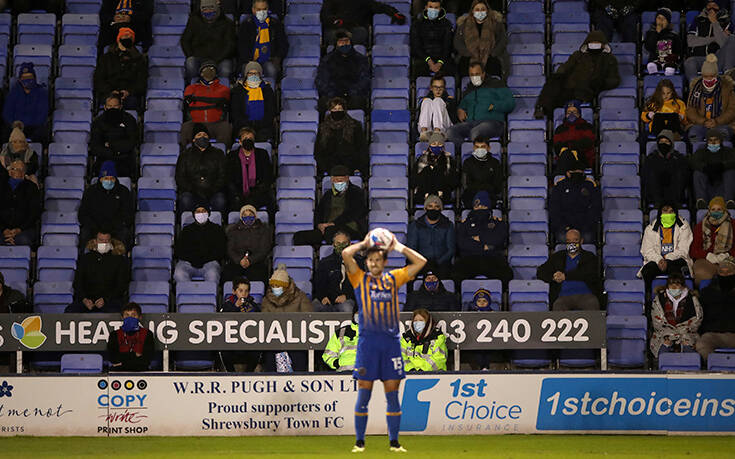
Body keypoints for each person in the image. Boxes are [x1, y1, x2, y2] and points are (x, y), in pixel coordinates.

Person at [342, 228, 427, 453]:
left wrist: (398, 246)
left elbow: (421, 262)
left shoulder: (393, 278)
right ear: (367, 262)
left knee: (392, 394)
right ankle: (360, 442)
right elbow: (345, 255)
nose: (373, 264)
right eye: (370, 260)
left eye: (377, 260)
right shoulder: (359, 279)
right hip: (368, 345)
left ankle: (394, 442)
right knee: (364, 394)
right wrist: (363, 243)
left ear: (384, 261)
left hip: (390, 344)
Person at [533, 31, 620, 119]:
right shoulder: (578, 55)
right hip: (568, 85)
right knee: (553, 82)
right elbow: (565, 67)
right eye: (592, 43)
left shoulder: (609, 59)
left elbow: (614, 79)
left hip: (586, 89)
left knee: (563, 101)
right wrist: (560, 74)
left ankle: (552, 118)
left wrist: (601, 83)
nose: (594, 45)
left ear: (602, 45)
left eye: (597, 43)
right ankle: (541, 108)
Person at [293, 165, 368, 247]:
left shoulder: (356, 192)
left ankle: (334, 257)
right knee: (299, 236)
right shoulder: (328, 195)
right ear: (332, 180)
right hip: (327, 228)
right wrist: (319, 225)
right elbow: (319, 212)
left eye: (341, 180)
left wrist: (333, 223)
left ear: (347, 178)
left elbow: (354, 212)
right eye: (336, 180)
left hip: (349, 228)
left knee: (330, 232)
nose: (339, 183)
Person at [260, 264, 313, 372]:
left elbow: (308, 318)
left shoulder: (300, 297)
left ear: (286, 285)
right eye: (273, 286)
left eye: (278, 285)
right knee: (270, 358)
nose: (275, 288)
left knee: (299, 359)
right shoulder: (267, 299)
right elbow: (264, 321)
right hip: (274, 341)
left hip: (296, 341)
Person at [447, 60, 515, 144]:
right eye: (472, 75)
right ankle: (463, 153)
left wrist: (494, 106)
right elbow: (463, 104)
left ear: (483, 73)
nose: (474, 77)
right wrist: (460, 110)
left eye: (477, 74)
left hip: (493, 123)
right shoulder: (469, 89)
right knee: (451, 132)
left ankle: (476, 155)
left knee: (475, 132)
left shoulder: (497, 84)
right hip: (471, 123)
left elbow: (510, 103)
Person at [453, 191, 513, 283]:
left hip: (492, 259)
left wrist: (478, 238)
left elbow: (498, 239)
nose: (480, 209)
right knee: (455, 275)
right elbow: (462, 242)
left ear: (488, 207)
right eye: (477, 206)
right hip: (470, 259)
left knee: (506, 275)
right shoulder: (465, 224)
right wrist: (483, 246)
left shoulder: (497, 223)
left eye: (483, 206)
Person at [537, 228, 602, 311]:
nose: (572, 244)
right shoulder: (557, 257)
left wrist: (565, 276)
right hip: (563, 296)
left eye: (575, 240)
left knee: (592, 303)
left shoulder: (589, 257)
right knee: (558, 306)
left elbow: (589, 273)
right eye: (568, 241)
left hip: (586, 295)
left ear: (581, 241)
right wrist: (554, 277)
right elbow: (541, 271)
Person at [65, 230, 129, 313]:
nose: (104, 243)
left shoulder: (119, 260)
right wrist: (85, 299)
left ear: (111, 241)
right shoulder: (85, 259)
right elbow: (77, 283)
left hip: (110, 301)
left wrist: (105, 300)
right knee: (71, 311)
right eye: (101, 240)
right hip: (87, 301)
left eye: (107, 240)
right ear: (95, 241)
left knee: (116, 310)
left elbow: (121, 286)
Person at [78, 160, 134, 250]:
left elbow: (128, 215)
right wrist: (97, 229)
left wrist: (111, 228)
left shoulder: (123, 192)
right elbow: (83, 214)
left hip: (115, 228)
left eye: (111, 178)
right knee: (85, 233)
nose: (109, 181)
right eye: (106, 178)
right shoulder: (91, 192)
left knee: (124, 233)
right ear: (100, 179)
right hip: (95, 228)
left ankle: (122, 259)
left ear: (115, 179)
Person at [638, 203, 694, 290]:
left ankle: (677, 298)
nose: (668, 214)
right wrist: (659, 260)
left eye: (671, 211)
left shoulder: (684, 226)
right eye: (665, 211)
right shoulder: (650, 228)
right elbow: (646, 250)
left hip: (676, 260)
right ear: (660, 212)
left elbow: (683, 250)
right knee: (647, 270)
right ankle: (649, 298)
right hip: (657, 260)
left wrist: (667, 259)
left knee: (675, 268)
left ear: (675, 212)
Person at [175, 124, 227, 213]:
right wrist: (193, 190)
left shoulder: (218, 153)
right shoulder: (185, 155)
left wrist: (212, 189)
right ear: (194, 139)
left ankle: (218, 224)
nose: (202, 137)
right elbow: (180, 177)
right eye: (199, 135)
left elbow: (223, 175)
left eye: (205, 135)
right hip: (191, 192)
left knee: (220, 200)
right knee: (185, 200)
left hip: (213, 192)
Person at [549, 158, 602, 243]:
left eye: (580, 172)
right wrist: (566, 228)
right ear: (568, 173)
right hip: (564, 228)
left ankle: (583, 256)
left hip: (585, 228)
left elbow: (596, 209)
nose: (578, 175)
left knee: (587, 239)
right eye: (575, 172)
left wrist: (585, 227)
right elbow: (554, 210)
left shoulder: (590, 186)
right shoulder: (560, 186)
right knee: (566, 240)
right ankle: (570, 256)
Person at [315, 29, 370, 111]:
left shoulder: (361, 59)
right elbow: (322, 80)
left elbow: (364, 79)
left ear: (351, 42)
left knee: (358, 102)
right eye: (341, 42)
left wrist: (351, 92)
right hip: (333, 94)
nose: (344, 44)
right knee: (324, 103)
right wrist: (333, 94)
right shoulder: (327, 60)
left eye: (347, 41)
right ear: (336, 44)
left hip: (353, 95)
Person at [181, 0, 236, 81]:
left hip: (220, 58)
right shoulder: (194, 21)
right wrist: (191, 55)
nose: (207, 11)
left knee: (225, 69)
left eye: (211, 8)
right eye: (204, 9)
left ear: (217, 8)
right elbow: (185, 40)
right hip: (198, 57)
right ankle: (193, 88)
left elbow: (230, 45)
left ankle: (222, 90)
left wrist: (215, 60)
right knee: (190, 63)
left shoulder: (227, 23)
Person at [649, 273, 702, 358]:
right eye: (671, 284)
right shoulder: (659, 298)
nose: (674, 287)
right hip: (665, 333)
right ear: (667, 286)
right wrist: (669, 336)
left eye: (677, 284)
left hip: (686, 333)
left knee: (689, 349)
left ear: (682, 286)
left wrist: (681, 333)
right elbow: (657, 320)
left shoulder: (692, 299)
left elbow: (697, 318)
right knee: (663, 349)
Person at [94, 27, 147, 110]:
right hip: (109, 93)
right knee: (111, 103)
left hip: (129, 96)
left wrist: (129, 91)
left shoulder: (139, 59)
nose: (127, 38)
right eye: (125, 35)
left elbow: (141, 82)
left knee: (132, 102)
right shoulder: (106, 58)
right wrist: (110, 91)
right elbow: (99, 79)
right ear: (119, 38)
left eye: (130, 37)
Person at [181, 61, 232, 147]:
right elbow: (187, 103)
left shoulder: (224, 89)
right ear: (201, 73)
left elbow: (227, 105)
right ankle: (185, 153)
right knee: (186, 127)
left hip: (216, 123)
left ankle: (222, 154)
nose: (209, 71)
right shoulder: (191, 88)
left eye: (212, 69)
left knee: (226, 127)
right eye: (206, 69)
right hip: (196, 123)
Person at [686, 55, 735, 143]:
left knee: (724, 132)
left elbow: (732, 110)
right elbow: (690, 110)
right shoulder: (695, 88)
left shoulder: (727, 87)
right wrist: (703, 121)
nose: (708, 79)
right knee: (694, 133)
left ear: (716, 75)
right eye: (706, 76)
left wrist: (717, 121)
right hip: (701, 124)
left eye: (711, 76)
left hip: (722, 124)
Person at [453, 0, 507, 78]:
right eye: (477, 9)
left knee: (494, 65)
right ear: (472, 11)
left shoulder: (496, 24)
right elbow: (457, 42)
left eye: (483, 9)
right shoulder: (463, 25)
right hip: (469, 56)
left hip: (490, 56)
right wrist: (468, 54)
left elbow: (502, 40)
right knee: (463, 65)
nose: (480, 12)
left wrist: (493, 54)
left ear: (487, 10)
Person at [174, 204, 226, 284]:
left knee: (213, 274)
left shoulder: (216, 229)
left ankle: (209, 296)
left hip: (209, 262)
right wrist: (193, 260)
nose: (201, 214)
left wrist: (203, 260)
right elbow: (179, 250)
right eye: (198, 211)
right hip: (188, 263)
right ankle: (187, 295)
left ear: (208, 213)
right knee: (179, 274)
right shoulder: (186, 230)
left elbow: (220, 250)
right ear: (194, 214)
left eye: (203, 211)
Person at [89, 93, 139, 177]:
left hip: (125, 160)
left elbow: (131, 142)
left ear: (120, 106)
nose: (112, 109)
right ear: (105, 107)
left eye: (115, 106)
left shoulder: (129, 119)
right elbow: (95, 146)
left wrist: (110, 145)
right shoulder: (98, 122)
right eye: (109, 106)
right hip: (104, 159)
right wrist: (112, 152)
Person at [695, 256, 735, 360]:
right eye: (722, 272)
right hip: (713, 334)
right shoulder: (707, 292)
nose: (725, 275)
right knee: (702, 343)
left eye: (729, 272)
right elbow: (699, 316)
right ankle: (716, 368)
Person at [315, 97, 367, 176]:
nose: (337, 111)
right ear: (330, 110)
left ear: (344, 110)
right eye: (334, 109)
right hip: (329, 166)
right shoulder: (323, 127)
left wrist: (358, 166)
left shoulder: (355, 125)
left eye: (340, 109)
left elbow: (361, 148)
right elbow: (318, 149)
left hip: (350, 165)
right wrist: (324, 167)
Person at [684, 1, 735, 81]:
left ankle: (728, 80)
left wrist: (714, 22)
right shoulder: (698, 20)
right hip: (701, 59)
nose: (711, 8)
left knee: (731, 38)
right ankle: (695, 88)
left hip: (718, 59)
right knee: (689, 62)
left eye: (714, 5)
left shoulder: (727, 22)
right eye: (709, 5)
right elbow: (690, 41)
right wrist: (714, 38)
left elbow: (723, 43)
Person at [226, 127, 273, 212]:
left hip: (259, 193)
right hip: (238, 193)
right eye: (245, 139)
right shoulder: (232, 156)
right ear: (240, 142)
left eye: (250, 139)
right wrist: (237, 194)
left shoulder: (262, 154)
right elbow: (229, 179)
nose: (248, 140)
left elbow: (267, 177)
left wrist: (254, 194)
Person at [313, 230, 362, 313]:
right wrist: (322, 296)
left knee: (346, 308)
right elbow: (318, 283)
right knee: (313, 307)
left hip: (349, 299)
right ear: (333, 244)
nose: (341, 246)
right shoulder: (325, 262)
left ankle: (347, 326)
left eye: (344, 243)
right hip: (328, 299)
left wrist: (347, 296)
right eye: (338, 243)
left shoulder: (358, 262)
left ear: (350, 244)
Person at [406, 195, 455, 278]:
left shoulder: (448, 225)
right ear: (425, 208)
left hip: (441, 263)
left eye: (436, 207)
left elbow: (450, 249)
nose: (433, 209)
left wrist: (439, 262)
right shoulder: (416, 225)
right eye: (430, 206)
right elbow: (412, 249)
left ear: (440, 209)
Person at [237, 0, 289, 78]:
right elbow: (241, 46)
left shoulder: (276, 24)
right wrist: (249, 61)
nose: (262, 12)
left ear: (268, 9)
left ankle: (270, 89)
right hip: (250, 60)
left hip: (270, 60)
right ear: (253, 10)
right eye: (258, 9)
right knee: (249, 70)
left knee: (271, 70)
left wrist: (277, 58)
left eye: (264, 9)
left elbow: (283, 45)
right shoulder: (246, 25)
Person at [219, 277, 261, 372]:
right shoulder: (228, 305)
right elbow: (224, 320)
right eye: (240, 290)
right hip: (232, 342)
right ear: (234, 291)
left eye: (246, 291)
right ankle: (231, 375)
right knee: (224, 351)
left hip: (248, 341)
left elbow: (259, 320)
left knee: (257, 350)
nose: (243, 294)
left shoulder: (253, 306)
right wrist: (236, 307)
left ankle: (248, 375)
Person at [690, 196, 735, 284]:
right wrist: (708, 256)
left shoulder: (733, 224)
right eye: (713, 209)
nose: (716, 212)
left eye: (719, 209)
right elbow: (694, 250)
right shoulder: (700, 226)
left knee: (726, 271)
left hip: (729, 258)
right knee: (701, 272)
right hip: (706, 259)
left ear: (724, 210)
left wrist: (727, 254)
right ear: (709, 210)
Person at [320, 0, 406, 46]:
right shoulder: (331, 1)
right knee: (331, 35)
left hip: (355, 29)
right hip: (336, 29)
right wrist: (337, 22)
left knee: (361, 32)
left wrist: (395, 13)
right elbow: (325, 16)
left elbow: (380, 7)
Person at [230, 61, 276, 143]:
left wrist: (259, 124)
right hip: (243, 126)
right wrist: (247, 125)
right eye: (250, 73)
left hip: (263, 126)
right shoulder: (238, 90)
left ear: (260, 75)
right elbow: (235, 112)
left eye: (256, 73)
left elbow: (270, 111)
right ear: (246, 75)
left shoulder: (267, 89)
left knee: (263, 137)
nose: (253, 76)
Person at [2, 63, 48, 142]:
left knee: (42, 132)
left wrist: (26, 124)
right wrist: (15, 124)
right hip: (15, 127)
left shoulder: (41, 93)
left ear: (34, 78)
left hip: (33, 128)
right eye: (24, 77)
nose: (27, 80)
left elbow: (42, 114)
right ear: (20, 79)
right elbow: (7, 112)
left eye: (30, 77)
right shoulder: (13, 93)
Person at [643, 129, 690, 207]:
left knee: (679, 173)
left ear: (671, 143)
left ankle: (676, 202)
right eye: (661, 142)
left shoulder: (679, 158)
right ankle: (657, 202)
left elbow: (685, 177)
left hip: (674, 194)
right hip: (656, 195)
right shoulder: (651, 159)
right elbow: (645, 177)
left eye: (666, 142)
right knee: (652, 174)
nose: (663, 144)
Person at [224, 204, 271, 282]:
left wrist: (250, 260)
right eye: (245, 215)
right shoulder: (233, 230)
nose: (247, 217)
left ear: (255, 216)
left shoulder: (263, 230)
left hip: (256, 261)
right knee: (228, 274)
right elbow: (230, 249)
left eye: (250, 215)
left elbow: (264, 249)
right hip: (237, 262)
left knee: (258, 275)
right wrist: (239, 260)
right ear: (241, 216)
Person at [690, 129, 735, 208]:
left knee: (730, 172)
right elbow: (694, 162)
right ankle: (701, 201)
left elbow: (733, 161)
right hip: (707, 184)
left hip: (723, 184)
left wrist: (722, 166)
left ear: (720, 141)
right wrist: (705, 168)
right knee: (698, 173)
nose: (713, 142)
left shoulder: (729, 151)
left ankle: (729, 201)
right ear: (707, 141)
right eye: (710, 140)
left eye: (716, 140)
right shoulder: (700, 152)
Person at [410, 0, 455, 77]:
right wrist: (429, 60)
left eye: (436, 7)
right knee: (418, 68)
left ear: (440, 9)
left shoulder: (447, 24)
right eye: (431, 7)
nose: (433, 10)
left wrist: (440, 62)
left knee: (451, 69)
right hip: (423, 58)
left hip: (442, 58)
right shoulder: (417, 24)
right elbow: (416, 46)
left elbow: (448, 46)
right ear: (426, 7)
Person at [1, 160, 40, 247]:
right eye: (12, 168)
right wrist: (4, 230)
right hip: (3, 228)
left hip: (24, 229)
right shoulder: (2, 186)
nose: (13, 171)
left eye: (17, 169)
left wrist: (19, 229)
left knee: (22, 240)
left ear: (23, 173)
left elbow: (34, 213)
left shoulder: (31, 187)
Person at [462, 288, 504, 369]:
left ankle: (487, 367)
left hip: (490, 342)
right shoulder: (470, 314)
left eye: (484, 301)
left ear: (489, 302)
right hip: (474, 342)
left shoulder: (494, 314)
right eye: (479, 301)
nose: (481, 303)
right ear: (475, 302)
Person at [107, 302, 155, 371]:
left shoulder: (147, 334)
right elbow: (113, 358)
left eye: (133, 315)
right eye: (127, 315)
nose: (130, 318)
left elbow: (147, 359)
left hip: (141, 372)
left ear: (140, 317)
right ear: (122, 317)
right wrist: (135, 355)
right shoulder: (114, 335)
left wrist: (123, 361)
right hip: (119, 372)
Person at [412, 132, 458, 203]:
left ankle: (437, 194)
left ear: (443, 147)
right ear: (429, 147)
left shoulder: (449, 160)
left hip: (443, 193)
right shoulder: (421, 159)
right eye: (434, 144)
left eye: (439, 144)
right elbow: (415, 178)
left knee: (437, 170)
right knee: (427, 170)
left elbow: (453, 180)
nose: (436, 146)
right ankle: (428, 194)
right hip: (423, 193)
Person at [553, 100, 596, 169]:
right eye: (569, 112)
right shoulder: (560, 129)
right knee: (566, 154)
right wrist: (571, 148)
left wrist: (571, 146)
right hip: (565, 158)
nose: (571, 114)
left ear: (579, 114)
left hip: (583, 158)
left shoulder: (587, 127)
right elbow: (557, 146)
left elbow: (588, 142)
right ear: (566, 114)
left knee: (569, 153)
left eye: (574, 112)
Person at [461, 137, 502, 209]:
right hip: (471, 196)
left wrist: (484, 190)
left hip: (490, 196)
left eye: (483, 147)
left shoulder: (495, 163)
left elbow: (497, 185)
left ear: (488, 148)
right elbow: (466, 184)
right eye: (477, 147)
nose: (479, 149)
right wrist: (482, 188)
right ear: (473, 148)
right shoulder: (467, 162)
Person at [417, 75, 458, 142]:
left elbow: (454, 118)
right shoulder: (425, 100)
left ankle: (437, 132)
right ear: (431, 88)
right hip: (428, 128)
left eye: (441, 87)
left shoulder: (449, 99)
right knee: (427, 101)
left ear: (444, 88)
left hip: (444, 128)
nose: (438, 90)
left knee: (438, 100)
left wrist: (449, 103)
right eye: (435, 87)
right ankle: (424, 132)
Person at [643, 8, 682, 76]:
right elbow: (648, 47)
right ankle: (656, 80)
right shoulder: (650, 33)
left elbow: (679, 50)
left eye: (664, 19)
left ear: (668, 22)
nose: (660, 21)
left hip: (670, 61)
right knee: (650, 66)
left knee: (670, 69)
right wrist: (656, 33)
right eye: (659, 18)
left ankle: (667, 82)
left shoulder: (674, 35)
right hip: (655, 60)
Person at [322, 303, 359, 371]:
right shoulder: (341, 332)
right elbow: (328, 355)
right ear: (353, 315)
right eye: (358, 313)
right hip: (343, 376)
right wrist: (337, 363)